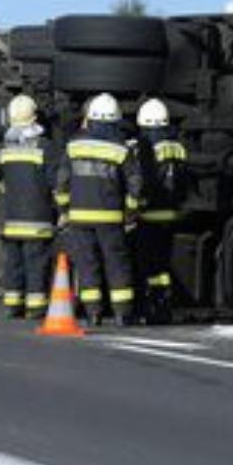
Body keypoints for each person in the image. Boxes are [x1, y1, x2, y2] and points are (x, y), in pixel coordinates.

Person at [55, 93, 142, 326]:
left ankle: (93, 313)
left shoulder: (73, 145)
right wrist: (131, 212)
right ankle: (122, 313)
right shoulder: (121, 148)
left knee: (87, 264)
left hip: (79, 218)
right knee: (116, 264)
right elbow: (135, 184)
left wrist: (64, 208)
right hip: (111, 219)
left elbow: (61, 181)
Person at [0, 94, 58, 319]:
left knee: (13, 263)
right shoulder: (45, 147)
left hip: (12, 220)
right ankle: (35, 307)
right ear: (35, 118)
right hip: (38, 220)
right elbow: (55, 181)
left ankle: (12, 304)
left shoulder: (4, 150)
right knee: (36, 264)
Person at [131, 98, 188, 324]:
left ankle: (146, 307)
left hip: (150, 214)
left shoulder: (145, 148)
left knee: (145, 263)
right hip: (171, 213)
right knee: (163, 264)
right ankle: (162, 305)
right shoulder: (178, 147)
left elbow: (143, 180)